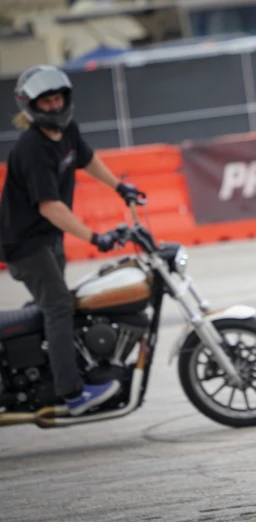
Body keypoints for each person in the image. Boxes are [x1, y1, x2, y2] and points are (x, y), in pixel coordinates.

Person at [0, 65, 146, 416]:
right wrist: (97, 237)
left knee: (55, 304)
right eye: (46, 101)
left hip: (48, 238)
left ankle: (35, 363)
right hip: (25, 244)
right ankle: (70, 393)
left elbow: (87, 158)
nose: (54, 105)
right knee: (58, 306)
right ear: (32, 105)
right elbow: (50, 207)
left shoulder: (66, 130)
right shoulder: (32, 149)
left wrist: (119, 186)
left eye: (57, 98)